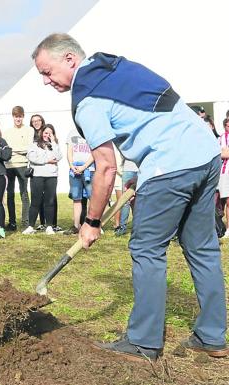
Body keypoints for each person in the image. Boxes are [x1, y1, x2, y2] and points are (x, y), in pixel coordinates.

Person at [33, 32, 227, 360]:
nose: (45, 81)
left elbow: (106, 167)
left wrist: (91, 221)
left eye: (47, 72)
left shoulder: (87, 97)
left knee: (147, 248)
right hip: (205, 155)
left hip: (170, 164)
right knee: (202, 247)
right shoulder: (114, 66)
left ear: (69, 59)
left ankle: (143, 342)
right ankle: (213, 336)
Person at [23, 124, 61, 235]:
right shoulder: (34, 145)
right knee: (35, 201)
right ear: (41, 133)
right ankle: (31, 226)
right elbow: (32, 158)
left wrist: (53, 142)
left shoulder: (54, 145)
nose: (47, 135)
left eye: (50, 133)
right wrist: (48, 160)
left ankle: (49, 226)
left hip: (52, 176)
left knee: (49, 201)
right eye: (45, 132)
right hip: (37, 176)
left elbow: (58, 157)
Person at [2, 106, 33, 232]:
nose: (18, 118)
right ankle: (12, 222)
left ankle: (26, 222)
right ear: (13, 117)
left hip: (23, 165)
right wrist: (18, 150)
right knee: (10, 195)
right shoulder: (7, 132)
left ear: (23, 116)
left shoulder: (29, 130)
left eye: (20, 116)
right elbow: (6, 150)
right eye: (16, 116)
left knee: (24, 194)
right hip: (9, 165)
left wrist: (13, 150)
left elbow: (28, 148)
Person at [63, 127, 94, 235]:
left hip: (89, 170)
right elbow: (69, 151)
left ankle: (93, 225)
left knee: (92, 198)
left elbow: (94, 153)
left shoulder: (92, 131)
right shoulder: (72, 133)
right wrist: (71, 166)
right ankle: (76, 226)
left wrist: (84, 166)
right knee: (76, 199)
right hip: (74, 170)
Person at [219, 118, 229, 238]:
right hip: (226, 171)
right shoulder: (222, 138)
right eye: (227, 126)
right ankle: (227, 228)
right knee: (227, 201)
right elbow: (221, 153)